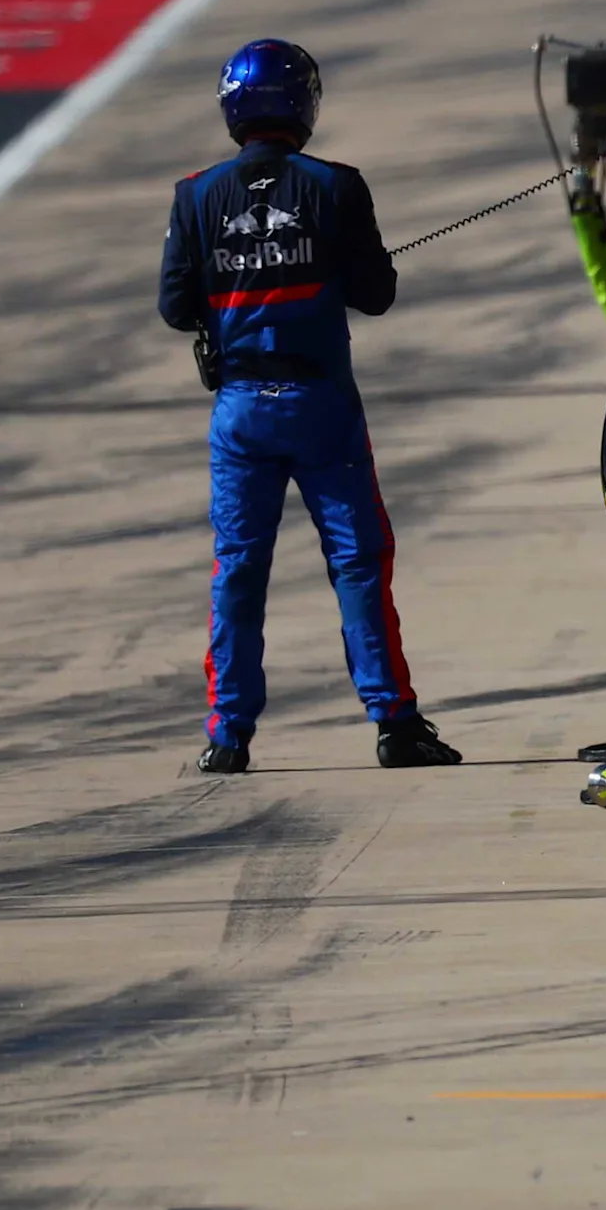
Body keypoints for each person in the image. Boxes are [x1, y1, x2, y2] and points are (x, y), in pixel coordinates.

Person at [159, 40, 458, 775]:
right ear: (305, 104)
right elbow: (376, 295)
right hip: (321, 404)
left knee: (238, 569)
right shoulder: (336, 186)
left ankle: (228, 737)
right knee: (358, 562)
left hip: (240, 412)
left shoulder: (195, 195)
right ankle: (394, 721)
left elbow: (174, 306)